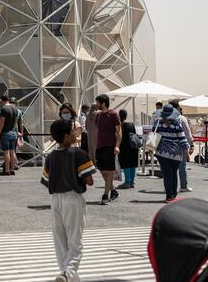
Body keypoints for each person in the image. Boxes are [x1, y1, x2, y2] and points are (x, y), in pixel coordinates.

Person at [42, 118, 96, 282]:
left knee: (60, 241)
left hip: (55, 199)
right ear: (66, 137)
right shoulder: (79, 154)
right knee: (75, 242)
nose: (75, 134)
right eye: (73, 132)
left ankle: (67, 276)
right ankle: (68, 273)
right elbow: (89, 180)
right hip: (72, 198)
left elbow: (46, 181)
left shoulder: (51, 157)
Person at [152, 103, 190, 202]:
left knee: (167, 174)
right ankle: (173, 194)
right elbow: (182, 138)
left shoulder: (157, 123)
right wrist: (187, 152)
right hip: (176, 153)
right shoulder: (177, 123)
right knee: (173, 173)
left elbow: (153, 135)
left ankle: (169, 195)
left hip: (162, 152)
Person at [87, 94, 121, 205]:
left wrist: (117, 145)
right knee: (102, 171)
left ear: (103, 103)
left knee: (109, 171)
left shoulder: (114, 114)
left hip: (110, 146)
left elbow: (119, 132)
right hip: (99, 146)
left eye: (98, 103)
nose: (96, 105)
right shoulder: (98, 115)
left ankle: (105, 195)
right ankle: (114, 191)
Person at [173, 102, 194, 192]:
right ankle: (183, 186)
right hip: (181, 145)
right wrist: (191, 144)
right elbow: (188, 132)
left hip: (168, 146)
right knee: (182, 166)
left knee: (171, 168)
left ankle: (171, 187)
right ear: (177, 108)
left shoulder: (164, 119)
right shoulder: (182, 118)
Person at [117, 109, 139, 189]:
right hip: (133, 146)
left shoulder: (119, 125)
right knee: (132, 164)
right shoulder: (131, 124)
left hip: (124, 147)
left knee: (126, 165)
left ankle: (127, 182)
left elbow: (118, 136)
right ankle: (132, 182)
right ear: (126, 116)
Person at [0, 95, 19, 176]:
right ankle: (12, 169)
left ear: (2, 101)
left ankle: (6, 170)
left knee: (6, 152)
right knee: (12, 151)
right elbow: (15, 121)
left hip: (5, 133)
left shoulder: (4, 109)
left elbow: (2, 122)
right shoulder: (15, 108)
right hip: (13, 132)